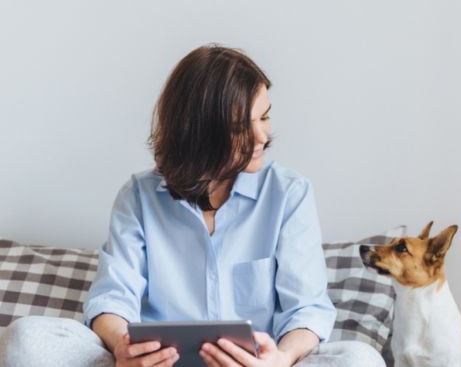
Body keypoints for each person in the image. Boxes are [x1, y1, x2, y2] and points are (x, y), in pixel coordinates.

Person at [0, 44, 385, 367]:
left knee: (360, 359)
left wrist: (281, 358)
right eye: (240, 127)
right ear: (198, 132)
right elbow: (113, 297)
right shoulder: (139, 196)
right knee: (27, 340)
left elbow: (308, 310)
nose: (261, 137)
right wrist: (122, 346)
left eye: (264, 117)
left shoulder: (289, 194)